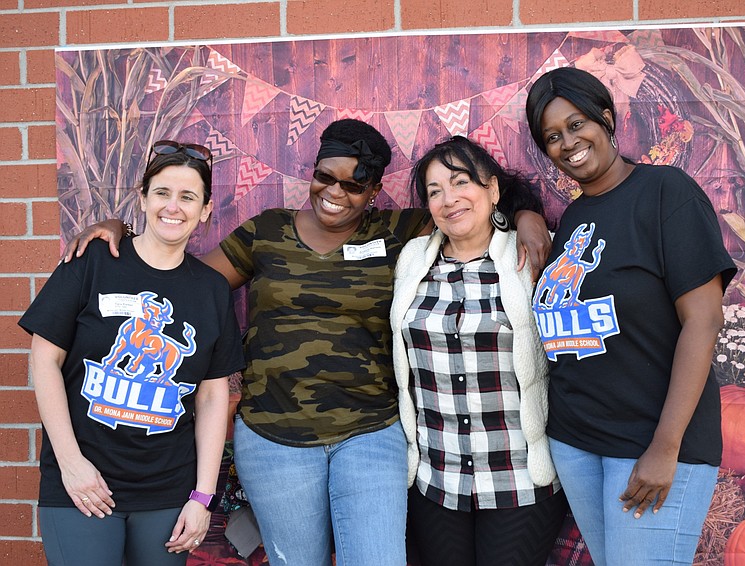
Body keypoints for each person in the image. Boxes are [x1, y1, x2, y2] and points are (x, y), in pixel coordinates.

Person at [62, 119, 552, 566]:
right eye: (325, 176)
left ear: (375, 190)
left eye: (353, 183)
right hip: (275, 438)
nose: (335, 191)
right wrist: (125, 233)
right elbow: (185, 282)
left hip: (371, 433)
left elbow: (468, 210)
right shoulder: (265, 232)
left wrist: (526, 215)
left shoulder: (399, 230)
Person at [525, 67, 737, 565]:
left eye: (577, 125)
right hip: (578, 444)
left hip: (652, 446)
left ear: (606, 117)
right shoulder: (574, 218)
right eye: (552, 136)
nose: (567, 143)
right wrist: (523, 213)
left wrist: (666, 448)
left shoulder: (666, 193)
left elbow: (703, 321)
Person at [19, 140, 244, 565]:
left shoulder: (211, 289)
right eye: (161, 193)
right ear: (142, 198)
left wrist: (202, 496)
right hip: (82, 484)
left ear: (205, 210)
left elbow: (213, 396)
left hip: (167, 494)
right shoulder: (93, 261)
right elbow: (44, 357)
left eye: (187, 197)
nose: (172, 207)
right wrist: (70, 464)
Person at [391, 136, 567, 566]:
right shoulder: (412, 261)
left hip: (519, 478)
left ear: (492, 190)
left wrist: (528, 216)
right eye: (435, 192)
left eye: (460, 182)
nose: (449, 200)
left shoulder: (535, 256)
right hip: (437, 478)